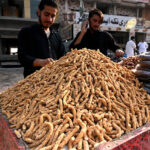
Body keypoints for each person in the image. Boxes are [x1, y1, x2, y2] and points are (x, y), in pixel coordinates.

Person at [18, 0, 66, 78]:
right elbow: (22, 57)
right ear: (39, 12)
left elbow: (63, 55)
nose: (49, 19)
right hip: (33, 81)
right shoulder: (26, 32)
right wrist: (40, 62)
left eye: (53, 16)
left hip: (53, 81)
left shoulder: (57, 36)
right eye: (46, 14)